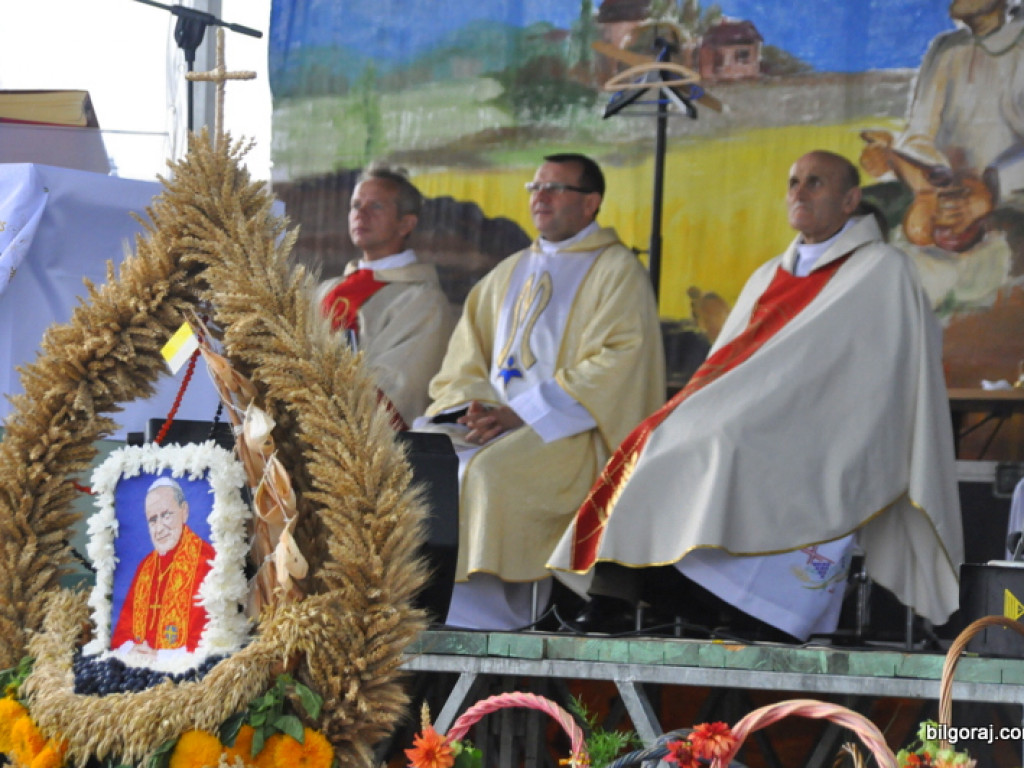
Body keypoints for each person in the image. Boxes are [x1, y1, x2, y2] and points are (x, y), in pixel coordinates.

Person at [550, 151, 964, 642]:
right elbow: (728, 366)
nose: (799, 192)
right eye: (793, 182)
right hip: (757, 417)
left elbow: (887, 376)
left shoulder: (883, 269)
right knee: (656, 436)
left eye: (816, 183)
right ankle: (618, 596)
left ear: (850, 199)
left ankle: (744, 608)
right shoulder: (770, 273)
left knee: (723, 440)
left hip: (831, 431)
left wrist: (772, 408)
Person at [416, 153, 665, 630]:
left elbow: (619, 363)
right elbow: (465, 358)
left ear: (590, 203)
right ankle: (429, 602)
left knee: (490, 474)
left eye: (555, 188)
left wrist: (523, 414)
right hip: (492, 424)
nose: (540, 197)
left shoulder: (616, 272)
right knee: (423, 455)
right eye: (535, 187)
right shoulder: (505, 273)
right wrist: (475, 409)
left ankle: (500, 615)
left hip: (570, 431)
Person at [860, 0, 1024, 313]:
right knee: (859, 210)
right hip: (945, 198)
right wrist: (893, 156)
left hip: (1009, 206)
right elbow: (922, 136)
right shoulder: (945, 49)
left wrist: (992, 187)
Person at [317, 163, 453, 428]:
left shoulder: (423, 301)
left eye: (376, 206)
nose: (361, 215)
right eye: (356, 205)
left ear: (406, 223)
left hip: (359, 439)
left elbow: (397, 388)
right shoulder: (324, 290)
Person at [111, 477, 215, 655]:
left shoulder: (207, 560)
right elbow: (122, 632)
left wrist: (160, 657)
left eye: (166, 515)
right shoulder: (146, 566)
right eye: (152, 520)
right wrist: (132, 650)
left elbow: (210, 639)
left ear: (184, 512)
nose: (159, 528)